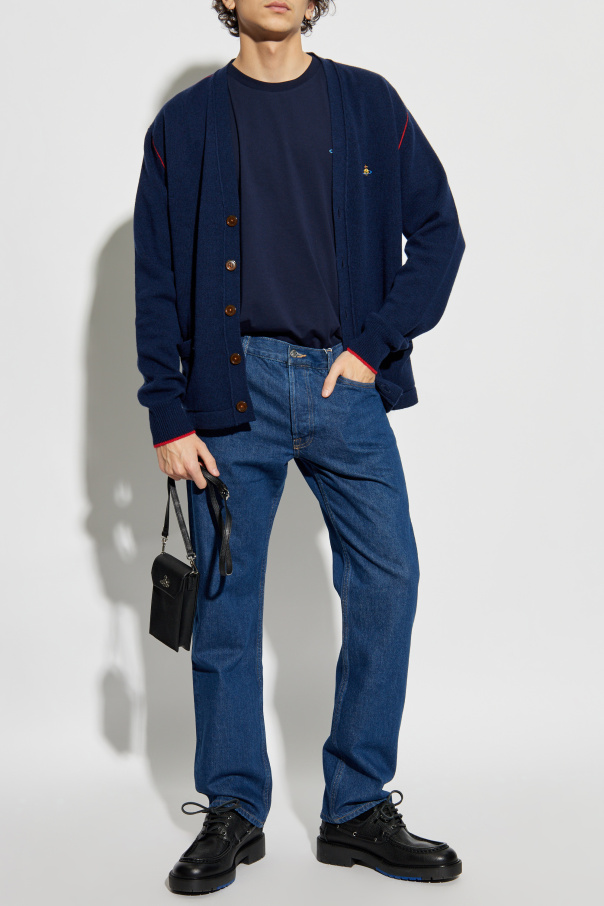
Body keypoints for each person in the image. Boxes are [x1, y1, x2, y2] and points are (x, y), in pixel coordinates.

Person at [133, 0, 466, 895]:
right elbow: (154, 275)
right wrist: (166, 412)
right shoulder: (183, 126)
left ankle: (355, 807)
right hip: (227, 390)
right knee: (226, 605)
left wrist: (374, 345)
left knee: (388, 580)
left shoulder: (370, 103)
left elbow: (440, 233)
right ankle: (234, 809)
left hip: (340, 386)